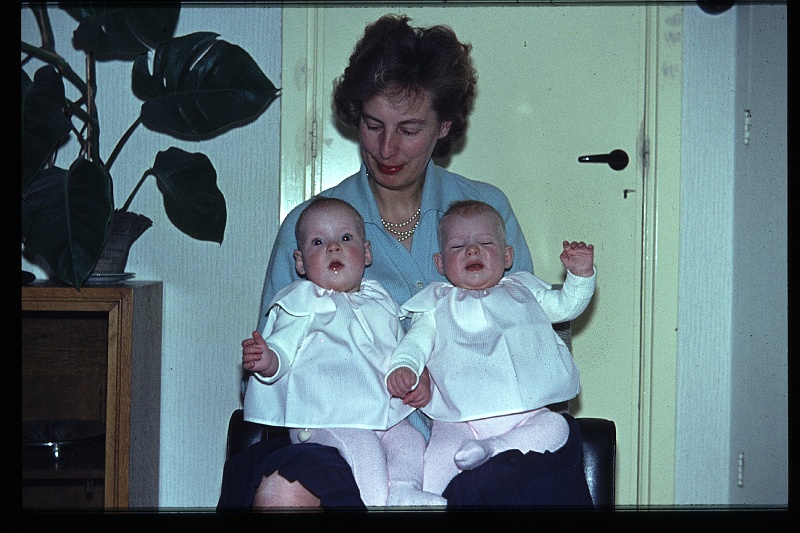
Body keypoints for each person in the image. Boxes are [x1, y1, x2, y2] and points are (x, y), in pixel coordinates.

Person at [219, 14, 590, 510]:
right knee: (282, 490)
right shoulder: (313, 228)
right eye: (373, 125)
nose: (387, 148)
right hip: (350, 437)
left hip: (476, 435)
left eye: (409, 129)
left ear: (446, 126)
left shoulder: (486, 213)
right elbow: (275, 362)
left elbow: (538, 328)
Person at [241, 197, 445, 507]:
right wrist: (267, 359)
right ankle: (373, 505)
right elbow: (282, 346)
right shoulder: (303, 301)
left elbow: (398, 348)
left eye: (345, 238)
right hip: (326, 419)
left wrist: (413, 375)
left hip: (380, 416)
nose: (333, 248)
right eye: (318, 242)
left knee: (409, 440)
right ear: (299, 262)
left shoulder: (378, 298)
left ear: (366, 253)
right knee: (366, 454)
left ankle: (404, 490)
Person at [385, 200, 596, 496]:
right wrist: (405, 367)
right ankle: (427, 499)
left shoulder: (524, 290)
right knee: (440, 451)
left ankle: (495, 448)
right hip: (460, 421)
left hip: (524, 415)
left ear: (508, 256)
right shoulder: (434, 304)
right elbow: (414, 344)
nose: (472, 250)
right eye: (458, 247)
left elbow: (566, 307)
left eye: (485, 242)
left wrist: (580, 276)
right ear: (440, 263)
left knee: (556, 427)